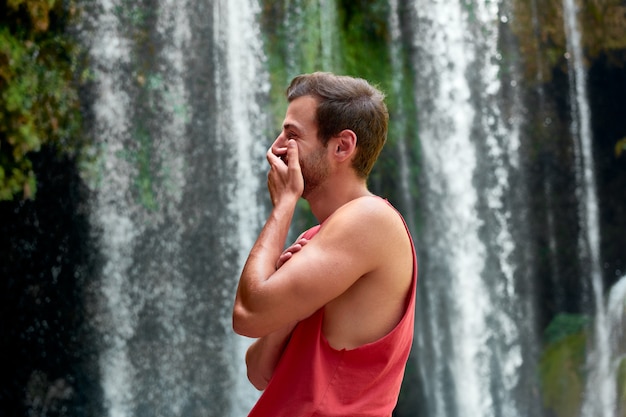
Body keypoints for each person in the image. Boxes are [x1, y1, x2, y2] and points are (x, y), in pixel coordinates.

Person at [232, 72, 418, 417]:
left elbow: (248, 315)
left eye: (292, 135)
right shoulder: (315, 241)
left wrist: (285, 204)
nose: (276, 148)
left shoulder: (372, 219)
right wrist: (290, 309)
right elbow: (258, 371)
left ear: (342, 146)